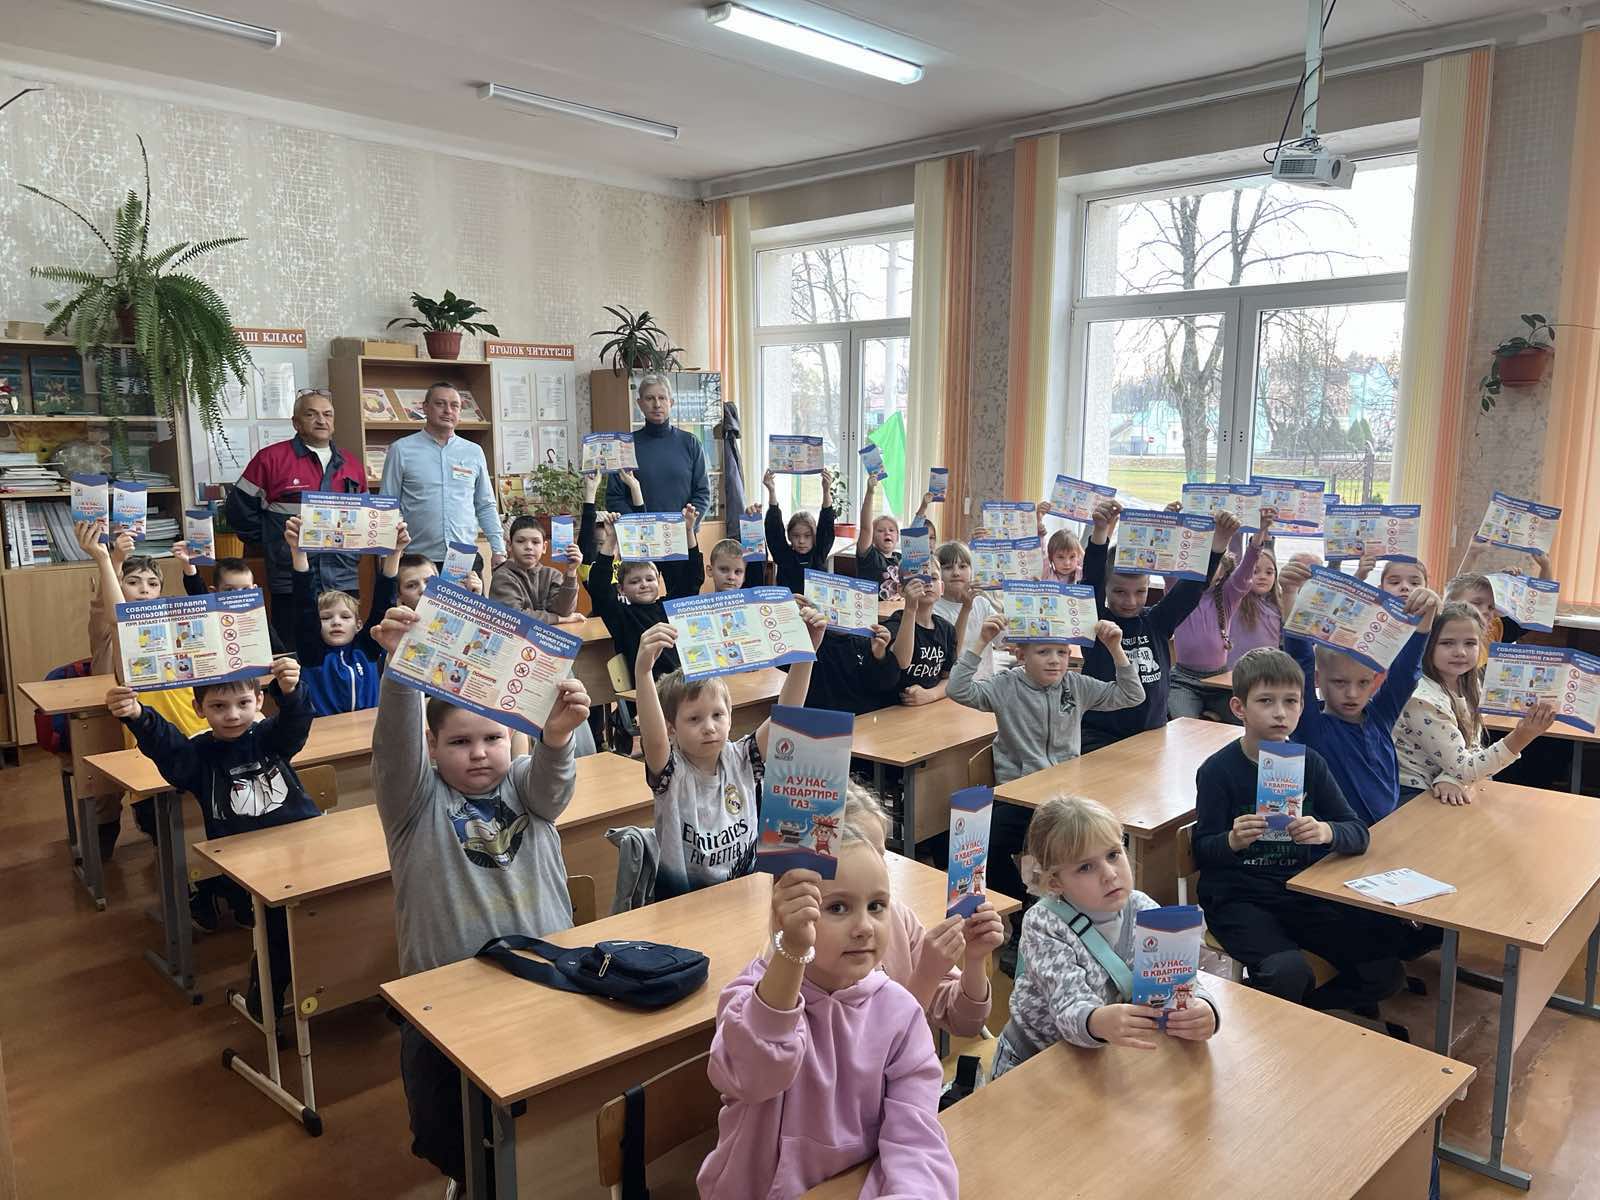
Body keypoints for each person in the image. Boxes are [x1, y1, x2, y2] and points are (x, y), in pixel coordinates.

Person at [367, 605, 591, 1193]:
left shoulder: (525, 785)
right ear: (432, 746)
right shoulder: (414, 802)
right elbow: (394, 747)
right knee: (449, 1123)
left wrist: (556, 737)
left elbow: (553, 785)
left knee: (541, 1103)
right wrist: (401, 672)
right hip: (449, 996)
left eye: (493, 737)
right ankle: (469, 1180)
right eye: (460, 742)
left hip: (542, 973)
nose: (479, 752)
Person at [696, 815, 958, 1200]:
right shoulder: (750, 997)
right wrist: (793, 949)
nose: (864, 926)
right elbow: (754, 1076)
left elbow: (917, 1142)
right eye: (837, 907)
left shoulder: (901, 1015)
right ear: (787, 914)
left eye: (877, 905)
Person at [1194, 647, 1410, 1010]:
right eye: (1266, 701)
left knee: (1385, 973)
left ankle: (1301, 1015)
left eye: (1291, 701)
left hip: (1299, 891)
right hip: (1239, 898)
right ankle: (1277, 1015)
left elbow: (1358, 833)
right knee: (1287, 972)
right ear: (1238, 708)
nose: (1280, 712)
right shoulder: (1217, 770)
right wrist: (1231, 840)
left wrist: (1326, 832)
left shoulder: (1310, 763)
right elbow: (1202, 849)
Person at [106, 656, 314, 1021]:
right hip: (246, 865)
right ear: (198, 709)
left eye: (243, 703)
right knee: (279, 929)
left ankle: (338, 979)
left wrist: (291, 690)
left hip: (301, 848)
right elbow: (168, 747)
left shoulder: (270, 738)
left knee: (330, 909)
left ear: (259, 700)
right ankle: (267, 995)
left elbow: (295, 723)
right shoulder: (199, 757)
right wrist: (137, 715)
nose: (232, 715)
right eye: (218, 706)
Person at [993, 795, 1218, 1075]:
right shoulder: (1044, 923)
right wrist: (1096, 1021)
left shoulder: (1142, 907)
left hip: (1101, 1056)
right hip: (1034, 1061)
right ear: (1055, 882)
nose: (1110, 874)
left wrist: (1204, 1008)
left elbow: (1179, 978)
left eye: (1113, 854)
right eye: (1085, 867)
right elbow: (1069, 1006)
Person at [949, 610, 1143, 917]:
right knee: (986, 844)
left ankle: (1091, 904)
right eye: (1043, 652)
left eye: (1062, 653)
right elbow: (957, 689)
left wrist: (1115, 648)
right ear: (1021, 655)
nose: (1054, 661)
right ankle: (1021, 910)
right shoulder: (1005, 686)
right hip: (1019, 796)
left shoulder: (1075, 685)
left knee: (1107, 834)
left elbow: (1132, 695)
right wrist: (981, 641)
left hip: (1068, 798)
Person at [634, 607, 825, 899]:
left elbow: (787, 717)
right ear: (671, 728)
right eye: (694, 719)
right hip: (685, 906)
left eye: (717, 715)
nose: (709, 728)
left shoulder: (742, 759)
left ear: (730, 715)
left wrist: (806, 653)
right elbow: (655, 742)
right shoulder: (672, 774)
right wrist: (643, 671)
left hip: (745, 896)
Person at [79, 519, 210, 862]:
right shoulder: (118, 630)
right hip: (148, 739)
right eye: (133, 582)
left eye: (152, 584)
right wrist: (110, 561)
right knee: (163, 816)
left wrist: (189, 569)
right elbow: (114, 613)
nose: (143, 589)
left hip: (192, 732)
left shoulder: (170, 628)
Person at [1279, 559, 1439, 826]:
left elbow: (1405, 673)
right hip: (1340, 842)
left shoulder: (1379, 716)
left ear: (1375, 680)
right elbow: (1300, 661)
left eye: (1363, 683)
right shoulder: (1310, 725)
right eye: (1339, 682)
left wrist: (1425, 619)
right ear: (1318, 680)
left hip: (1388, 832)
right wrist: (1290, 593)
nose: (1352, 694)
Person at [1078, 500, 1234, 752]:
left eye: (1140, 592)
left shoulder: (1157, 622)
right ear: (1106, 588)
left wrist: (1219, 542)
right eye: (1119, 591)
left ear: (1149, 586)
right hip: (1100, 738)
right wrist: (1100, 532)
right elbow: (1091, 580)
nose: (1130, 601)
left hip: (1152, 737)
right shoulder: (1094, 622)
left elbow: (1192, 588)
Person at [225, 387, 366, 648]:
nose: (321, 420)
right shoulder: (270, 459)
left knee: (343, 651)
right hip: (290, 576)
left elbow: (365, 519)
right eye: (311, 414)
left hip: (342, 575)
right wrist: (272, 542)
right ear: (296, 423)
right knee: (294, 651)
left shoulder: (352, 464)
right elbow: (238, 510)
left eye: (327, 414)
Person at [1393, 602, 1557, 803]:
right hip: (1411, 794)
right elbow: (1465, 769)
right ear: (1427, 645)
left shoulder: (1468, 684)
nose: (1460, 652)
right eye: (1447, 643)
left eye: (1470, 643)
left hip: (1444, 784)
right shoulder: (1422, 699)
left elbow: (1471, 745)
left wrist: (1450, 777)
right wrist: (1521, 736)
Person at [579, 472, 703, 681]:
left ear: (658, 580)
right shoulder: (621, 615)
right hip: (653, 689)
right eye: (634, 581)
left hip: (685, 683)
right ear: (621, 588)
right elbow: (600, 586)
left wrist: (689, 531)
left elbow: (692, 579)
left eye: (649, 579)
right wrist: (611, 540)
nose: (644, 585)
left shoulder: (669, 607)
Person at [378, 382, 506, 569]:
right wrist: (388, 554)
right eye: (440, 404)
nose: (448, 411)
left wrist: (498, 549)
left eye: (455, 406)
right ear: (425, 407)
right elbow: (388, 505)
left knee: (468, 590)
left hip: (462, 557)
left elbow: (485, 505)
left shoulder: (474, 452)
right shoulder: (401, 450)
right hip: (417, 559)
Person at [284, 515, 403, 716]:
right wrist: (298, 551)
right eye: (326, 618)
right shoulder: (312, 653)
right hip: (325, 730)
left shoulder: (367, 649)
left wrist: (395, 552)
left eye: (345, 617)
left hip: (368, 727)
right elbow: (304, 605)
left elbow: (383, 605)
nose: (336, 622)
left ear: (358, 625)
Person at [1167, 508, 1278, 722]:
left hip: (1218, 680)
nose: (1207, 569)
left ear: (1222, 572)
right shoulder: (1178, 595)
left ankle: (1213, 718)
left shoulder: (1227, 597)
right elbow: (1170, 566)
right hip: (1183, 680)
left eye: (1213, 564)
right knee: (1183, 725)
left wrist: (1260, 531)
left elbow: (1246, 569)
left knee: (1244, 721)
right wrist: (1171, 521)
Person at [604, 373, 711, 524]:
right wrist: (639, 525)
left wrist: (687, 524)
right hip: (638, 534)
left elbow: (703, 493)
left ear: (671, 402)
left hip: (683, 533)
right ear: (639, 403)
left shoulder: (690, 443)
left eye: (662, 398)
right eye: (649, 398)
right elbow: (614, 498)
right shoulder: (625, 446)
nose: (657, 404)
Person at [487, 515, 583, 622]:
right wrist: (558, 619)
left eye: (535, 542)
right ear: (509, 545)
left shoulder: (552, 575)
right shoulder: (502, 576)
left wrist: (571, 572)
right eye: (520, 541)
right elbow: (513, 617)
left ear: (544, 547)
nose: (529, 547)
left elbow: (564, 611)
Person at [855, 475, 933, 601]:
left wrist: (924, 506)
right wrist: (870, 492)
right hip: (874, 609)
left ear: (897, 537)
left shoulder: (901, 558)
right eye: (880, 530)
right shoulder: (869, 556)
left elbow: (913, 536)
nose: (887, 533)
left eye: (891, 530)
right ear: (872, 538)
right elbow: (866, 528)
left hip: (899, 609)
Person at [933, 539, 1002, 682]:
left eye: (963, 566)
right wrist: (966, 607)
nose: (956, 573)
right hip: (951, 686)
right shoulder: (934, 608)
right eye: (948, 568)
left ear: (972, 570)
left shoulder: (981, 603)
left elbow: (1005, 641)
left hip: (984, 683)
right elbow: (951, 656)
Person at [882, 576, 956, 707]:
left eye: (934, 578)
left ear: (942, 588)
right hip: (893, 708)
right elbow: (900, 662)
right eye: (919, 578)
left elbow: (950, 678)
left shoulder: (947, 629)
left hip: (929, 707)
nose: (928, 583)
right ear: (901, 589)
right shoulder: (894, 624)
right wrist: (910, 609)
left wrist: (930, 695)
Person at [763, 466, 836, 593]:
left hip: (814, 605)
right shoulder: (784, 555)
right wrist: (771, 491)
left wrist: (826, 490)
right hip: (789, 604)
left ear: (814, 536)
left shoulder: (818, 553)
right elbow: (774, 529)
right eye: (796, 536)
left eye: (807, 536)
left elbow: (826, 523)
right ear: (789, 536)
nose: (801, 541)